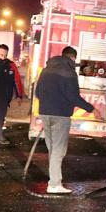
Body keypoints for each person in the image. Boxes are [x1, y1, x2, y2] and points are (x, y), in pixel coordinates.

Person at [35, 46, 94, 194]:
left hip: (45, 113)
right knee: (58, 150)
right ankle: (54, 184)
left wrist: (47, 105)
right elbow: (73, 97)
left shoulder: (46, 69)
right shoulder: (69, 72)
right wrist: (91, 109)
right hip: (60, 115)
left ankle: (54, 180)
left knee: (53, 149)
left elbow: (37, 92)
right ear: (72, 58)